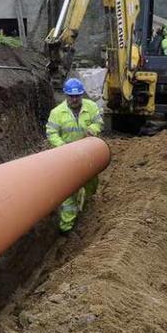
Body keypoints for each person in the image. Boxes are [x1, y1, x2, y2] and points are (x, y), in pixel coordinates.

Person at [45, 78, 103, 233]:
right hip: (67, 158)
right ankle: (66, 228)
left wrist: (93, 128)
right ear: (66, 95)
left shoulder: (91, 107)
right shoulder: (57, 113)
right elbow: (51, 133)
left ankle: (87, 203)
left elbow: (99, 122)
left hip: (87, 154)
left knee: (91, 183)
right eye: (71, 96)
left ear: (82, 94)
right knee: (69, 192)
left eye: (78, 96)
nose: (75, 99)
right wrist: (62, 147)